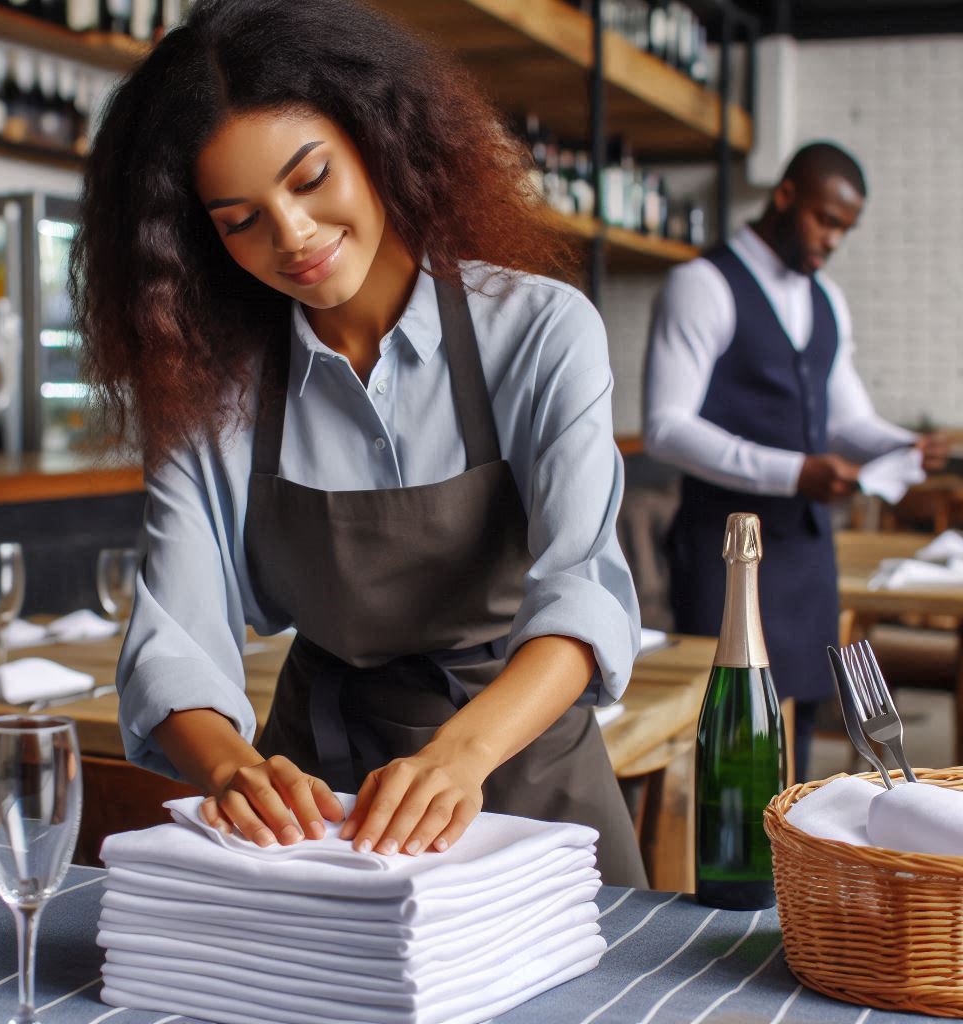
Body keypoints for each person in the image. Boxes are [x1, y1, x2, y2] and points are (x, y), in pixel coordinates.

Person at [70, 0, 647, 886]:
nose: (292, 237)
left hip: (518, 765)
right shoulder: (209, 390)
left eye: (310, 179)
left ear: (377, 139)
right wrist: (233, 771)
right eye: (240, 219)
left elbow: (583, 590)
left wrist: (461, 756)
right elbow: (176, 638)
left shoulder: (537, 330)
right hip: (317, 802)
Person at [643, 142, 948, 781]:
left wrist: (903, 446)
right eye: (825, 221)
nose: (833, 240)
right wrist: (795, 472)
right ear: (785, 197)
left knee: (799, 745)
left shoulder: (828, 299)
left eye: (844, 230)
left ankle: (790, 880)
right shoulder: (700, 285)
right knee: (733, 743)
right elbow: (665, 428)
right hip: (728, 554)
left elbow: (844, 419)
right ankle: (730, 882)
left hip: (807, 555)